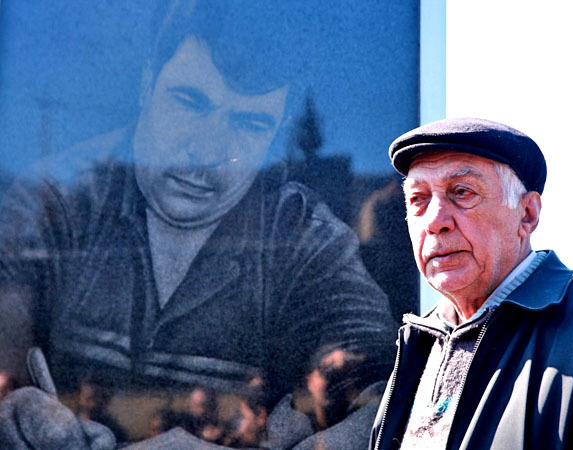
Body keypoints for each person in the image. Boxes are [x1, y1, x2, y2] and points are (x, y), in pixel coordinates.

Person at [0, 1, 397, 448]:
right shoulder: (53, 204)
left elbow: (386, 401)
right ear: (148, 84)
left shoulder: (306, 237)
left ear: (276, 134)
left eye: (248, 124)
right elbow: (6, 372)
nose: (208, 151)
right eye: (190, 103)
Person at [370, 117, 573, 449]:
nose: (434, 221)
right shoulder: (420, 343)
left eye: (461, 192)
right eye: (418, 199)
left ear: (527, 214)